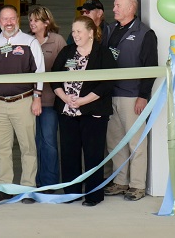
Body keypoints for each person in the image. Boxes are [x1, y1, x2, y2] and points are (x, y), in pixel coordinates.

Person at [0, 5, 44, 203]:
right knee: (1, 147)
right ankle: (4, 186)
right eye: (4, 19)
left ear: (17, 19)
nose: (9, 22)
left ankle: (28, 188)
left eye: (12, 18)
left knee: (28, 147)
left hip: (23, 102)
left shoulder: (30, 42)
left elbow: (39, 72)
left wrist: (37, 98)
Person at [51, 15, 116, 206]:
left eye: (79, 31)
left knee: (93, 154)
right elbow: (54, 77)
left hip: (93, 112)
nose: (75, 35)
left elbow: (107, 83)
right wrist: (64, 98)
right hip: (67, 112)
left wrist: (83, 101)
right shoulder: (67, 51)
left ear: (90, 32)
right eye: (73, 31)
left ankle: (93, 195)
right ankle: (71, 193)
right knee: (69, 154)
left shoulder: (103, 53)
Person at [102, 0, 158, 202]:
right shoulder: (110, 30)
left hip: (132, 96)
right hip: (111, 95)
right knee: (115, 142)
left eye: (118, 5)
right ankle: (120, 181)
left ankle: (137, 186)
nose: (114, 8)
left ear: (130, 8)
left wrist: (143, 96)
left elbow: (150, 67)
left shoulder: (144, 33)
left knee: (135, 143)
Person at [28, 5, 67, 190]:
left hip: (50, 102)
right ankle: (34, 181)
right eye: (30, 20)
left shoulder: (58, 41)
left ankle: (49, 183)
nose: (32, 23)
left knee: (49, 142)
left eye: (36, 20)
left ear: (46, 22)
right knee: (33, 144)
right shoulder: (26, 41)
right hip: (28, 102)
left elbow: (66, 68)